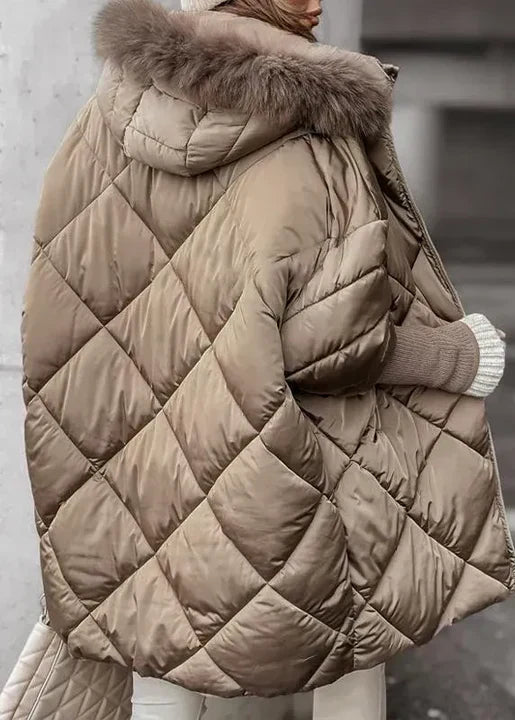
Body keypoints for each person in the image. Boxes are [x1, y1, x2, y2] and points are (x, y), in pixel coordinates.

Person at [21, 1, 513, 719]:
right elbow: (331, 343)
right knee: (351, 662)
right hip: (280, 470)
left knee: (161, 667)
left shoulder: (106, 116)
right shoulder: (313, 122)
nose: (316, 2)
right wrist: (458, 356)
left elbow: (64, 304)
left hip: (136, 470)